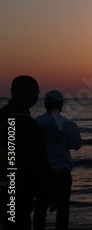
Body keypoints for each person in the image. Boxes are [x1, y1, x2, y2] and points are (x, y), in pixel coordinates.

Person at [0, 75, 51, 229]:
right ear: (33, 94)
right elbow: (38, 162)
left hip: (4, 184)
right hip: (19, 188)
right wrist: (45, 192)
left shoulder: (2, 116)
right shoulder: (27, 124)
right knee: (19, 222)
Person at [33, 90, 82, 230]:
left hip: (41, 172)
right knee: (63, 209)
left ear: (45, 104)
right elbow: (76, 145)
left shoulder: (36, 123)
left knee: (40, 207)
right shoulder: (68, 124)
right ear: (60, 105)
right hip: (62, 173)